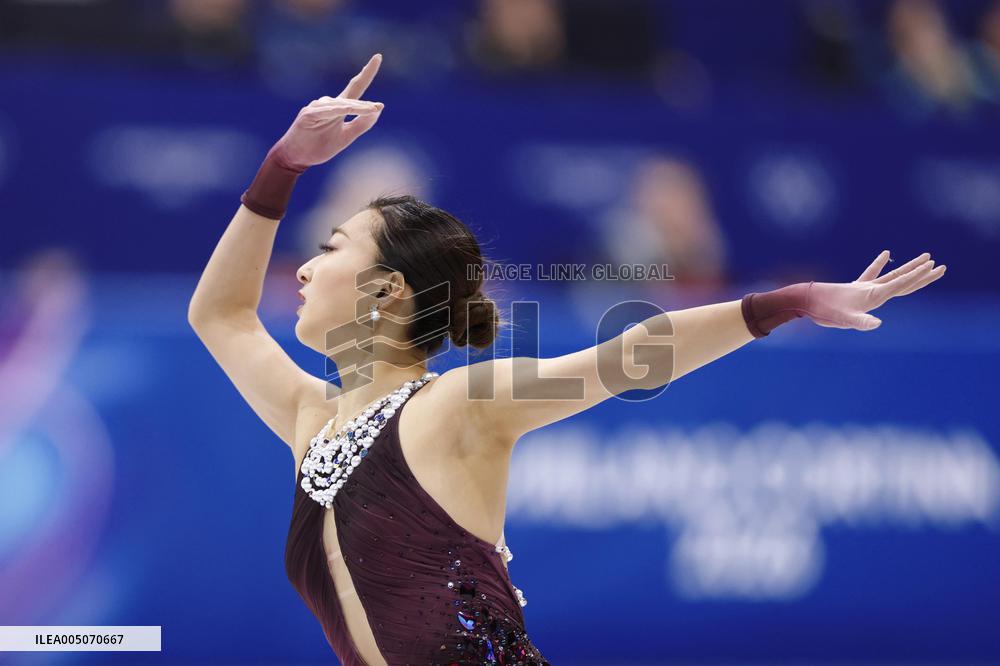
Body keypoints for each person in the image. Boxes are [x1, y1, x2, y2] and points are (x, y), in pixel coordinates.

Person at [187, 53, 947, 665]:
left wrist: (785, 302)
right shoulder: (308, 419)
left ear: (387, 290)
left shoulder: (453, 408)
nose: (308, 268)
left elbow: (626, 357)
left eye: (330, 249)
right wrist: (281, 165)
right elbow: (218, 314)